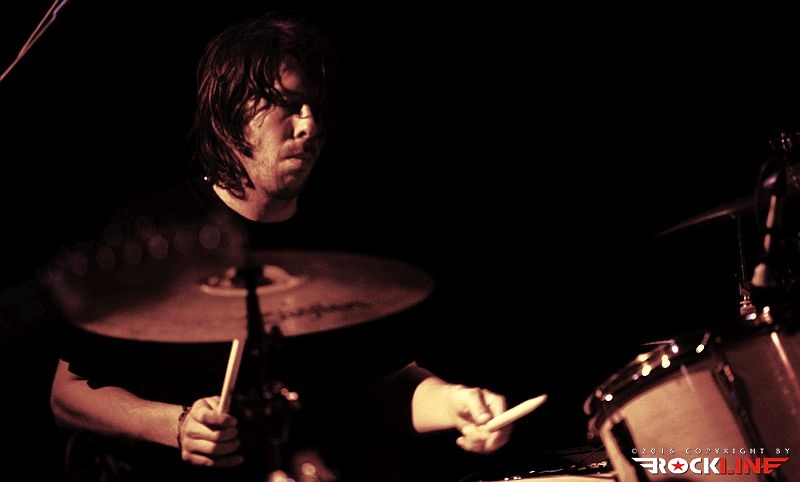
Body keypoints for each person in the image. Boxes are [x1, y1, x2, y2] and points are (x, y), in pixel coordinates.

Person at [48, 11, 512, 482]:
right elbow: (68, 395)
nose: (309, 126)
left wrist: (456, 404)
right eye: (288, 105)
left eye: (313, 106)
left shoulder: (342, 236)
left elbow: (390, 382)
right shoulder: (158, 234)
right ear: (230, 113)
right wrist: (177, 425)